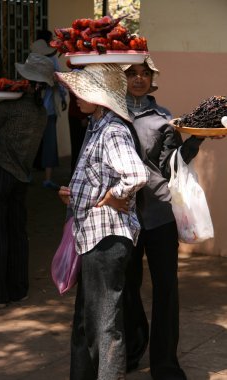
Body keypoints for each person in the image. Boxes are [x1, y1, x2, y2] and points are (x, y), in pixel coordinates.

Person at [55, 63, 150, 380]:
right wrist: (77, 194)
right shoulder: (96, 127)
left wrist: (112, 196)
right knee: (87, 324)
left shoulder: (111, 130)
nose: (76, 96)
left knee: (104, 327)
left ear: (99, 97)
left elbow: (137, 174)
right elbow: (100, 177)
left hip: (106, 241)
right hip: (95, 239)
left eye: (82, 91)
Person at [123, 55, 205, 380]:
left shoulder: (164, 118)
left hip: (159, 214)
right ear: (123, 78)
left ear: (153, 79)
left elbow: (173, 163)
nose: (139, 78)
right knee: (126, 288)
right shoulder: (111, 113)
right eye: (132, 73)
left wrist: (197, 140)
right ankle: (132, 347)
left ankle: (165, 364)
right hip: (123, 215)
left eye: (145, 73)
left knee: (166, 288)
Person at [0, 53, 54, 308]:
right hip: (21, 176)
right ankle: (18, 289)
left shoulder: (9, 107)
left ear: (27, 81)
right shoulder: (41, 113)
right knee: (16, 232)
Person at [31, 36, 67, 190]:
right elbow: (60, 84)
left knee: (38, 144)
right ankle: (46, 178)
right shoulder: (46, 63)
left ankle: (40, 177)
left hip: (41, 110)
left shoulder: (34, 63)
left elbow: (59, 83)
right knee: (45, 144)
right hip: (43, 110)